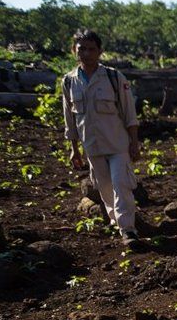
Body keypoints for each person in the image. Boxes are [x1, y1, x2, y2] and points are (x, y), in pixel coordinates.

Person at [61, 29, 142, 247]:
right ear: (74, 51)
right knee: (105, 188)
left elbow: (129, 113)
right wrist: (74, 148)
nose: (86, 54)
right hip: (92, 146)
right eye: (82, 49)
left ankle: (128, 230)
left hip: (117, 144)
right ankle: (117, 221)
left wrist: (134, 143)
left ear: (100, 52)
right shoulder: (69, 82)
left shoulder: (114, 78)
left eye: (91, 49)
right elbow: (70, 118)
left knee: (121, 184)